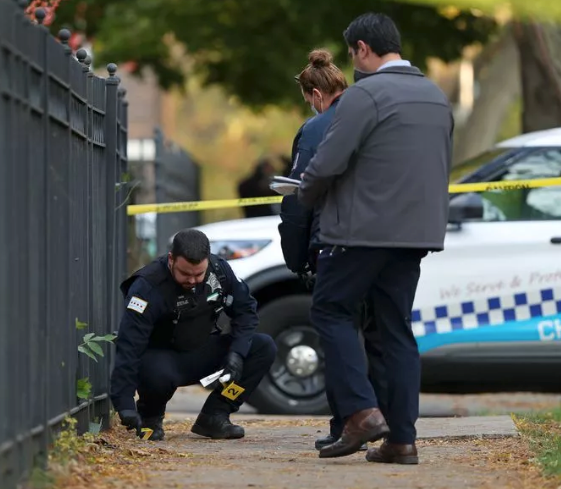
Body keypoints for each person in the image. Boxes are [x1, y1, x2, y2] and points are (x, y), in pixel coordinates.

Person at [298, 13, 454, 464]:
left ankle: (361, 413)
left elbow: (326, 164)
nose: (354, 62)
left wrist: (305, 195)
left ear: (363, 49)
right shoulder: (435, 97)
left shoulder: (365, 94)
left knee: (330, 310)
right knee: (395, 329)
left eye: (352, 54)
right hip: (416, 234)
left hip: (361, 231)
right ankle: (402, 440)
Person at [278, 48, 388, 453]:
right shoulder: (375, 118)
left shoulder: (316, 128)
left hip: (335, 240)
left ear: (315, 95)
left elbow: (299, 199)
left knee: (337, 329)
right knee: (377, 333)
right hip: (385, 240)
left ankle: (349, 420)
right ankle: (387, 420)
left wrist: (296, 255)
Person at [110, 229, 277, 440]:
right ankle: (150, 416)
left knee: (262, 347)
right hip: (162, 359)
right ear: (171, 259)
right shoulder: (147, 287)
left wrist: (237, 353)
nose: (192, 280)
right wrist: (124, 403)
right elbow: (129, 345)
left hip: (201, 349)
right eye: (185, 274)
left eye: (198, 274)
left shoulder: (219, 271)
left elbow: (246, 312)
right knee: (154, 371)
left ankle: (216, 414)